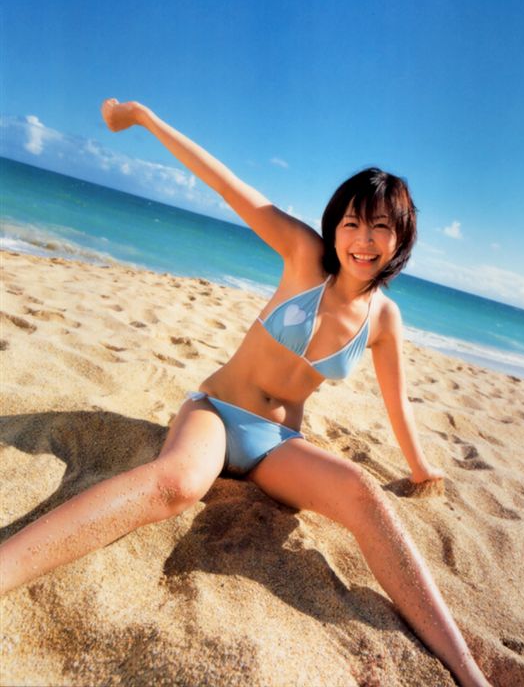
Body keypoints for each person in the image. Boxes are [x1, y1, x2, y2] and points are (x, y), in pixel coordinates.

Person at [0, 99, 490, 687]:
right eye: (352, 223)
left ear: (401, 238)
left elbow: (397, 402)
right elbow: (224, 183)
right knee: (177, 484)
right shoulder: (304, 257)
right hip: (215, 411)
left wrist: (420, 467)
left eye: (381, 226)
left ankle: (466, 670)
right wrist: (145, 119)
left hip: (277, 446)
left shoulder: (384, 319)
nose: (363, 239)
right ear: (334, 226)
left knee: (363, 494)